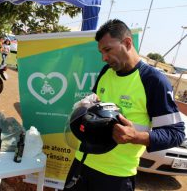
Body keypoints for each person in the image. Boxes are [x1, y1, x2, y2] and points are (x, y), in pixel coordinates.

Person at [64, 19, 185, 191]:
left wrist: (135, 136)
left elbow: (176, 133)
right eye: (101, 52)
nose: (104, 57)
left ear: (127, 42)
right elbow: (97, 105)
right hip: (81, 163)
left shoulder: (153, 81)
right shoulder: (106, 71)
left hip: (115, 176)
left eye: (107, 50)